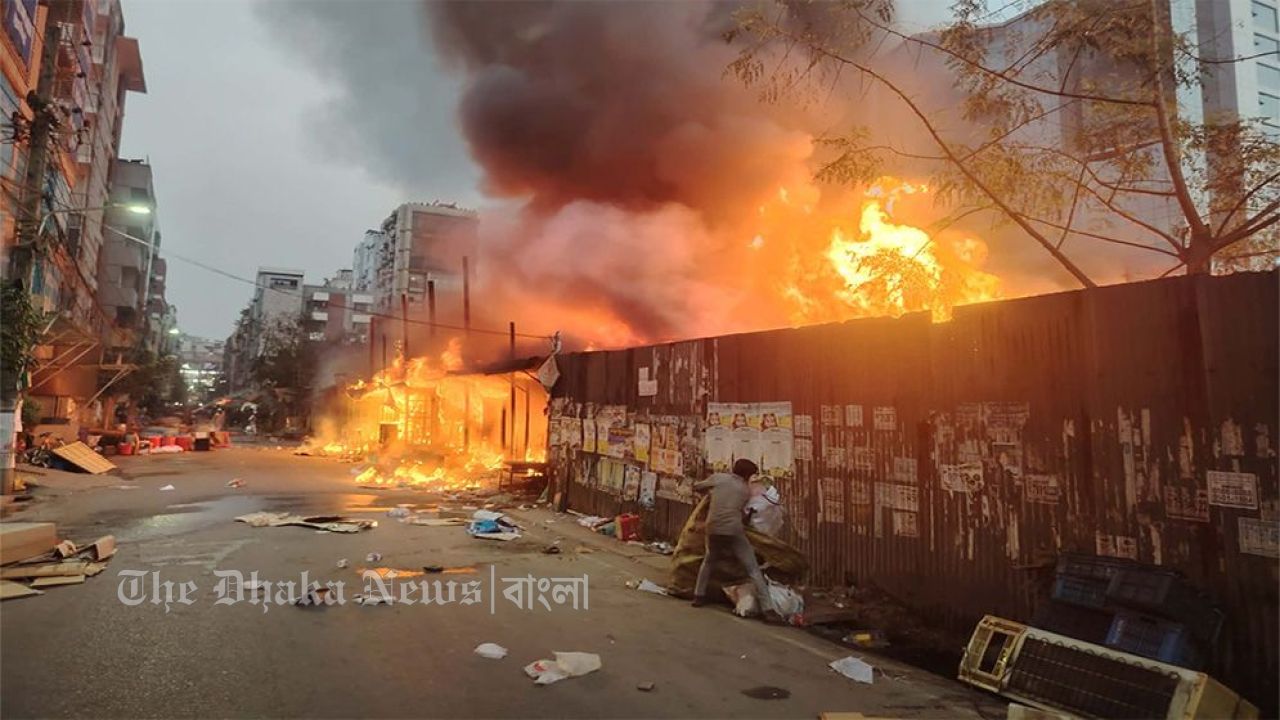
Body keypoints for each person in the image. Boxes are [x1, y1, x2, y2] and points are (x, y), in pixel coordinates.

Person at [691, 458, 780, 621]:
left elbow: (697, 487)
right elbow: (742, 515)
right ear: (747, 475)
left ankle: (698, 596)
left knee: (709, 560)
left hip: (713, 528)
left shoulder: (718, 478)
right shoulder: (745, 490)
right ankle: (768, 609)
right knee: (753, 568)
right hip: (733, 531)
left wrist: (711, 494)